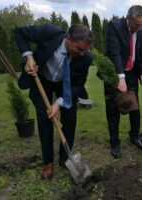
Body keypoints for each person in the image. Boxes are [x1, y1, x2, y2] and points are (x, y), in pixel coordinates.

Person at [14, 24, 93, 179]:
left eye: (86, 50)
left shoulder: (86, 58)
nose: (83, 54)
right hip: (41, 78)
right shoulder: (48, 32)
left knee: (70, 118)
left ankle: (65, 158)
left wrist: (58, 103)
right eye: (79, 49)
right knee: (45, 119)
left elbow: (77, 84)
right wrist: (29, 57)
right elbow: (20, 32)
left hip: (65, 84)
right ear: (68, 39)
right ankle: (48, 161)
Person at [104, 5, 142, 159]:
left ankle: (134, 136)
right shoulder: (114, 26)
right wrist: (120, 78)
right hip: (114, 73)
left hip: (132, 74)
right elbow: (115, 53)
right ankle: (114, 142)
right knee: (113, 108)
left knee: (134, 107)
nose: (140, 27)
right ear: (128, 18)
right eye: (137, 24)